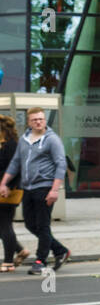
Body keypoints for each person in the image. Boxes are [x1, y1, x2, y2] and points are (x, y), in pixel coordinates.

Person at [0, 107, 71, 275]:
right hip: (28, 188)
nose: (39, 122)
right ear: (29, 122)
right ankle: (60, 250)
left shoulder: (52, 140)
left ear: (44, 120)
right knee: (30, 224)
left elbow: (61, 164)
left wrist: (55, 190)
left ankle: (41, 260)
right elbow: (15, 163)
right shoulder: (25, 139)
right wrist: (4, 183)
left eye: (41, 119)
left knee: (43, 225)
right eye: (35, 120)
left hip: (45, 187)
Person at [0, 115, 29, 272]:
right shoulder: (3, 144)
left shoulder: (11, 145)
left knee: (5, 224)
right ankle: (20, 250)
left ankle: (8, 262)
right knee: (2, 226)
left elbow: (16, 169)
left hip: (9, 191)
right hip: (3, 189)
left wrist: (8, 185)